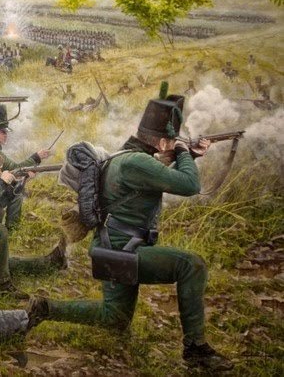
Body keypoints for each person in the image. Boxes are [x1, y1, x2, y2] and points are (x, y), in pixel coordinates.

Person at [26, 85, 233, 371]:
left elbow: (163, 178)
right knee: (191, 266)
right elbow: (189, 185)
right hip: (123, 252)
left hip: (111, 248)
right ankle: (196, 350)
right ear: (164, 142)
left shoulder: (128, 158)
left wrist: (189, 156)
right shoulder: (137, 162)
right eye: (172, 142)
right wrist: (183, 152)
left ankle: (45, 308)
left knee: (114, 318)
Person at [0, 104, 50, 230]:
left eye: (6, 132)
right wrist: (37, 157)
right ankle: (12, 229)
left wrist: (25, 175)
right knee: (16, 192)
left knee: (15, 187)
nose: (6, 135)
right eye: (2, 132)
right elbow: (15, 168)